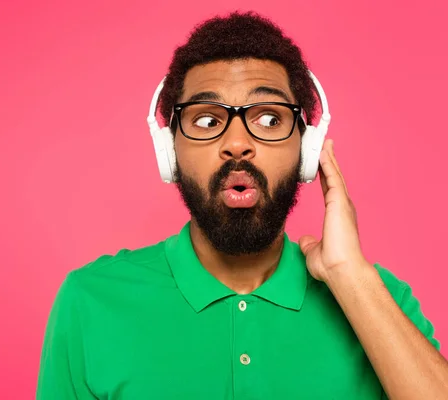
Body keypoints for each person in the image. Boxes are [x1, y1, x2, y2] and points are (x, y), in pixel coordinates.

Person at [37, 11, 448, 399]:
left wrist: (350, 277)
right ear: (169, 151)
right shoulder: (90, 301)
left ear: (307, 149)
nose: (237, 144)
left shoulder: (378, 299)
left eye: (269, 119)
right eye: (207, 120)